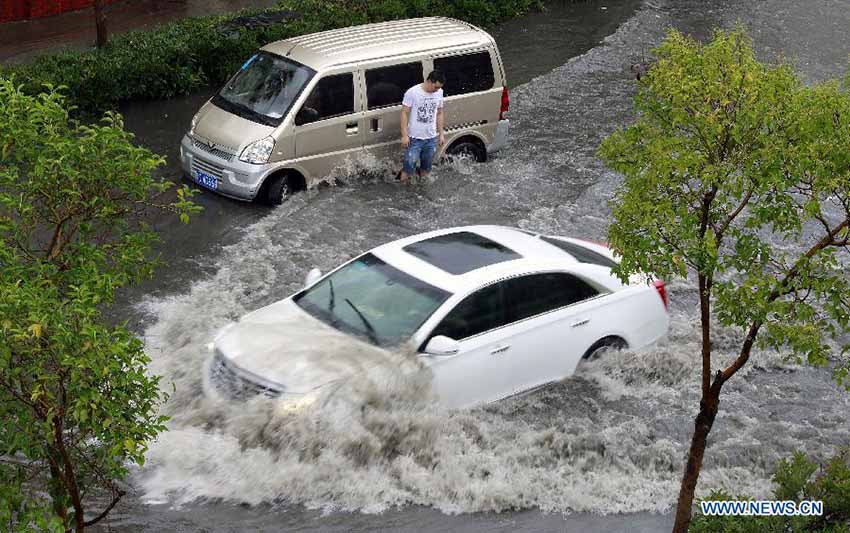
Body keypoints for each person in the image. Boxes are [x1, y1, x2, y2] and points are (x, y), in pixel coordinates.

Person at [398, 70, 446, 182]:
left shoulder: (439, 92)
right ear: (429, 81)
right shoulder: (412, 92)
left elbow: (439, 113)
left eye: (439, 88)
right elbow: (404, 113)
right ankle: (402, 190)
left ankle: (422, 190)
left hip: (431, 138)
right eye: (435, 87)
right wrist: (405, 136)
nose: (437, 90)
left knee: (426, 168)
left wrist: (441, 134)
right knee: (408, 168)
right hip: (415, 138)